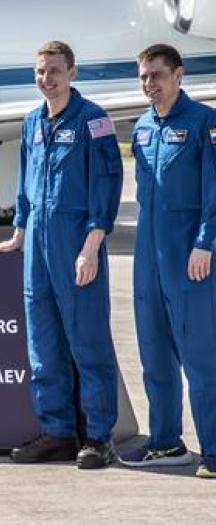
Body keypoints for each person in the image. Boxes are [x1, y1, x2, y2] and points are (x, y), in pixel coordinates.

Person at [0, 41, 123, 469]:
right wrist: (18, 234)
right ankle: (58, 432)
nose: (47, 79)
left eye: (55, 71)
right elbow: (26, 185)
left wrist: (92, 245)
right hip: (38, 249)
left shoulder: (93, 121)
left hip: (76, 244)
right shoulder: (31, 123)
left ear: (73, 73)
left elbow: (107, 182)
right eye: (41, 71)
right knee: (42, 344)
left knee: (87, 342)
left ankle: (99, 437)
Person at [118, 44, 216, 479]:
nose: (148, 84)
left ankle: (213, 450)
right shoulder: (141, 127)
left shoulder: (204, 123)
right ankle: (165, 442)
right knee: (154, 352)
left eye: (156, 75)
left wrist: (205, 242)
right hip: (148, 253)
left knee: (200, 355)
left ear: (178, 76)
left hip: (188, 253)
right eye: (142, 76)